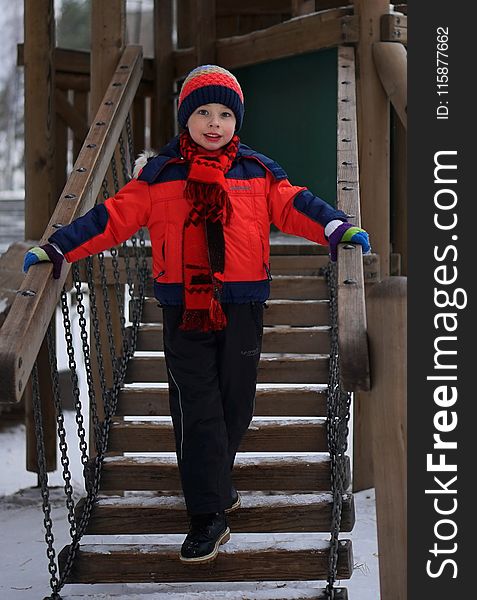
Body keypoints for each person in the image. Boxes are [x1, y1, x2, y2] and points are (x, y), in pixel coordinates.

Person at [23, 64, 370, 564]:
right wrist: (60, 248)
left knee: (236, 405)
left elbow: (297, 206)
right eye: (203, 112)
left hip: (244, 304)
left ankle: (214, 482)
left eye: (225, 114)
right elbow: (111, 219)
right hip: (183, 307)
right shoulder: (160, 176)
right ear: (185, 118)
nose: (214, 122)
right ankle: (207, 516)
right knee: (198, 408)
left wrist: (336, 228)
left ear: (237, 121)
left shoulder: (258, 172)